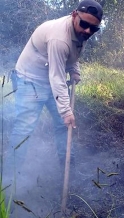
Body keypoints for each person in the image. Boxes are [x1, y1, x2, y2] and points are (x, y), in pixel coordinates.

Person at [8, 0, 103, 169]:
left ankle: (68, 167)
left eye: (93, 29)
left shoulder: (81, 31)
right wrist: (66, 111)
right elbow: (57, 76)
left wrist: (74, 70)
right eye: (84, 24)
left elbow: (73, 53)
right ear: (74, 15)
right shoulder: (59, 38)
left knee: (63, 126)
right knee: (24, 129)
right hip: (30, 80)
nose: (88, 30)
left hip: (50, 80)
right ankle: (9, 178)